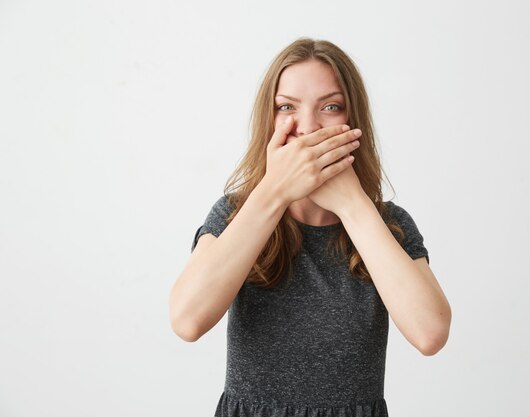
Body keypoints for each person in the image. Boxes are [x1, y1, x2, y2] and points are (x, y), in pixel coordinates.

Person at [169, 37, 451, 417]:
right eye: (287, 107)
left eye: (330, 107)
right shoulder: (236, 214)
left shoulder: (389, 225)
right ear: (269, 121)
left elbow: (430, 334)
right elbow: (187, 321)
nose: (308, 128)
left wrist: (353, 205)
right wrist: (273, 192)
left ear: (353, 121)